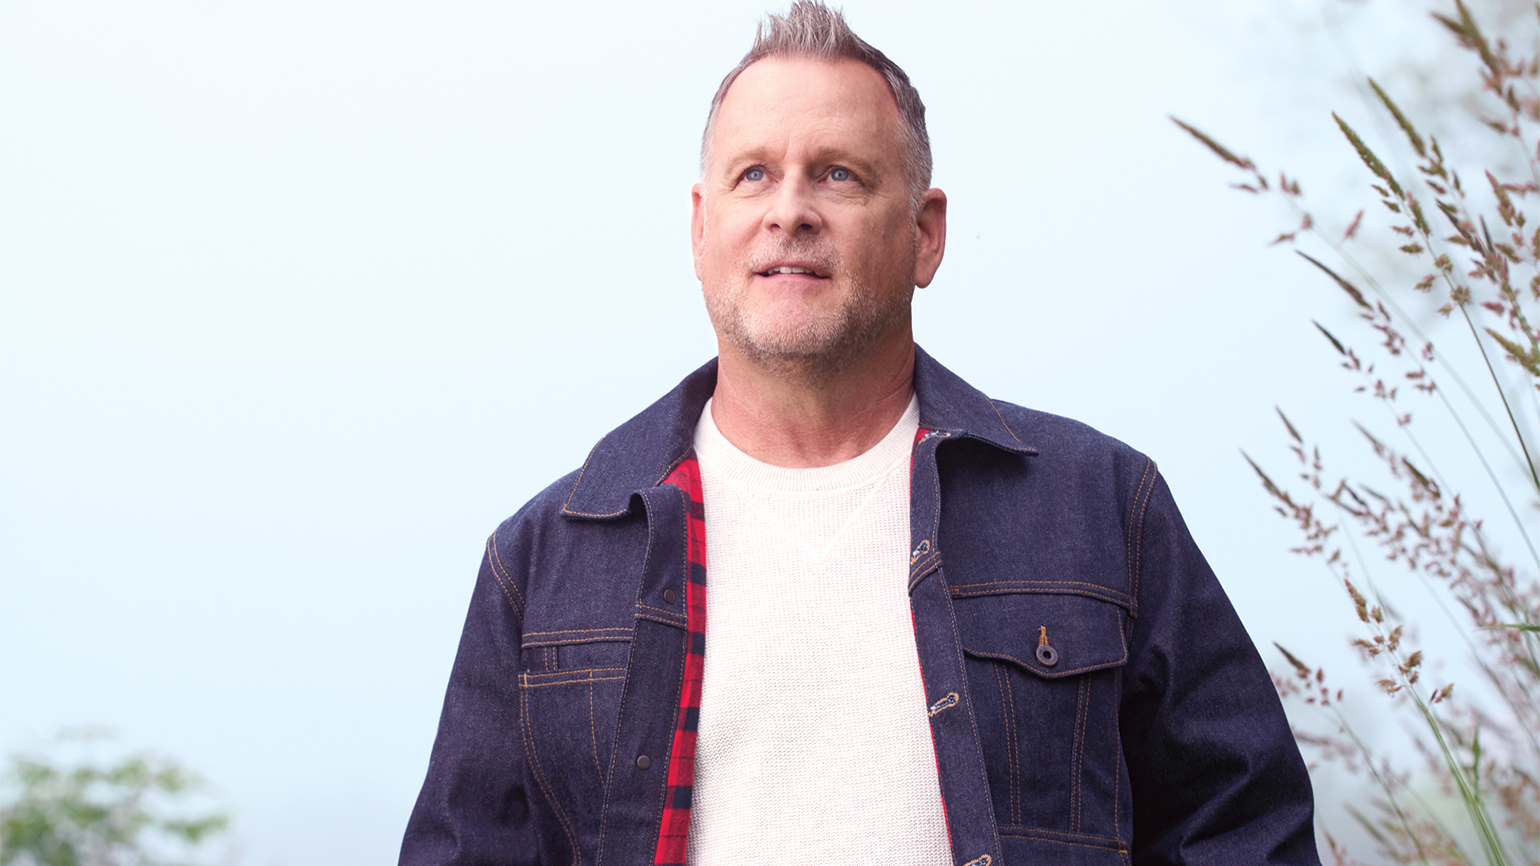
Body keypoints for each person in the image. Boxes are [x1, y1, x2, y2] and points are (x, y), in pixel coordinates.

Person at [399, 3, 1322, 864]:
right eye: (753, 174)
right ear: (701, 228)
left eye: (838, 174)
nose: (789, 210)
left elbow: (1245, 828)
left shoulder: (1101, 510)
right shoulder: (547, 562)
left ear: (926, 233)